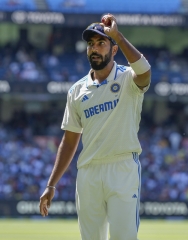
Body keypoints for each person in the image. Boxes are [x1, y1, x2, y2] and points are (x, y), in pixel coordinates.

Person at [39, 14, 151, 240]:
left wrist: (117, 35)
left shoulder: (127, 78)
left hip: (122, 168)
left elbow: (145, 70)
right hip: (88, 172)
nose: (95, 49)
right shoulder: (76, 91)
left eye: (101, 43)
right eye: (91, 44)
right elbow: (69, 142)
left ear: (114, 49)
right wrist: (51, 185)